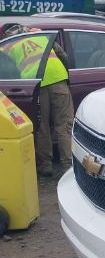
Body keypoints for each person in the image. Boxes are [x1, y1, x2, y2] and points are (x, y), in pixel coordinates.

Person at [0, 23, 74, 177]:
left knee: (42, 127)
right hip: (58, 80)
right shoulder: (40, 36)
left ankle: (45, 166)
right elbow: (63, 56)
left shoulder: (7, 46)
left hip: (35, 85)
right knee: (64, 126)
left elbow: (9, 71)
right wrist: (66, 76)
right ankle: (68, 167)